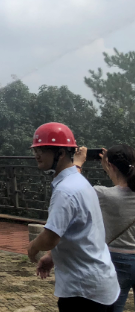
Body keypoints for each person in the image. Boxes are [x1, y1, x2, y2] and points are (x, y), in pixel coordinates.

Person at [27, 122, 119, 311]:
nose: (37, 155)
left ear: (60, 153)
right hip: (100, 283)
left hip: (83, 292)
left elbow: (50, 237)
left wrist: (32, 247)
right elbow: (79, 231)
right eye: (36, 150)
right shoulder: (79, 181)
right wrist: (52, 257)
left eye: (42, 150)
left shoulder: (65, 190)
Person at [76, 145, 135, 312]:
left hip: (116, 260)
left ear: (110, 166)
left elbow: (75, 190)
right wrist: (109, 165)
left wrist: (78, 162)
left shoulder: (102, 194)